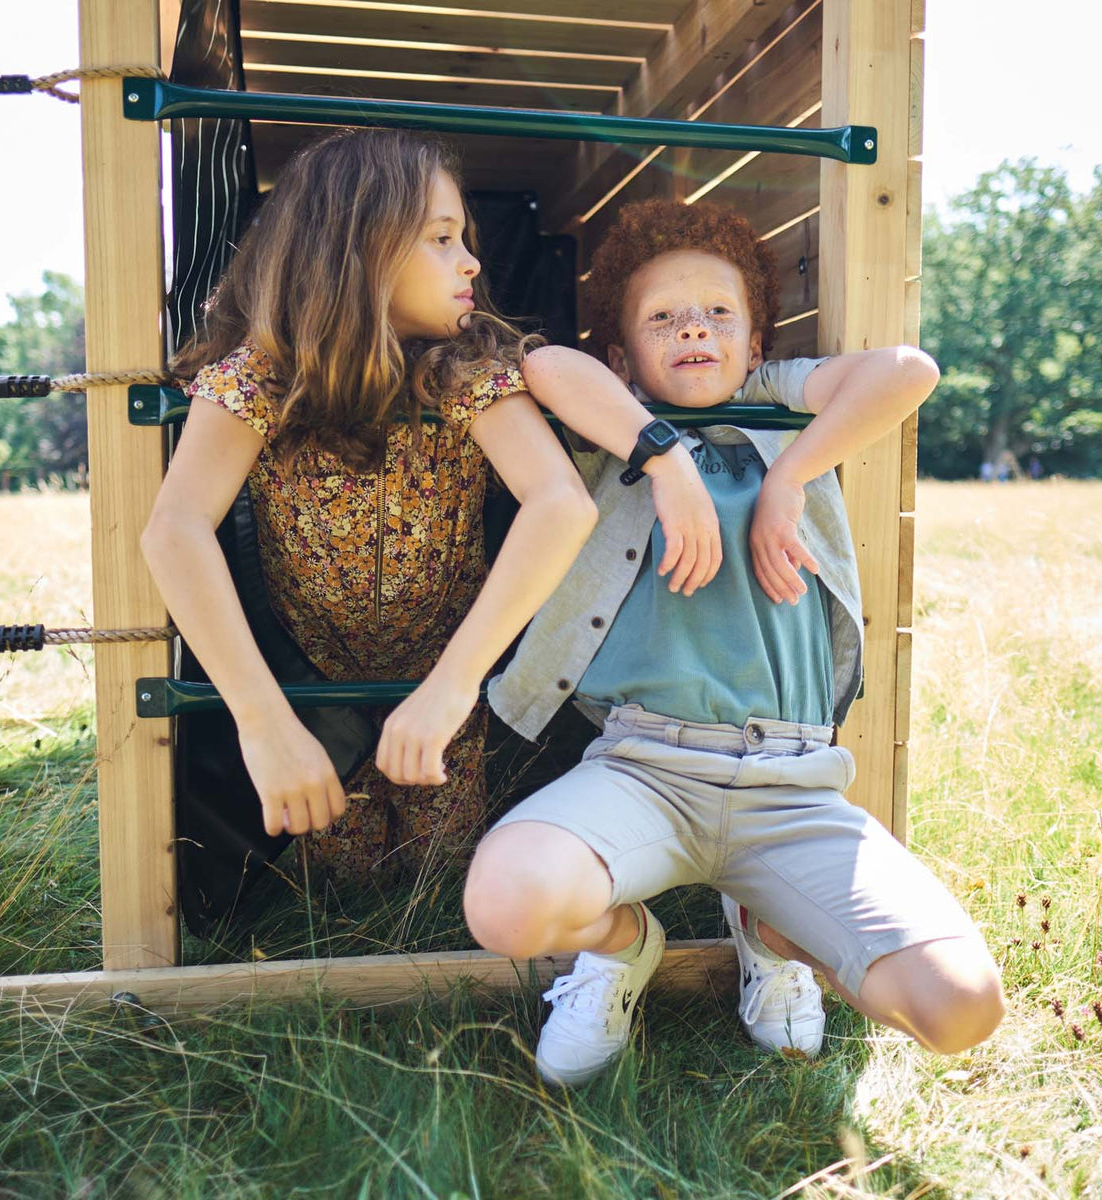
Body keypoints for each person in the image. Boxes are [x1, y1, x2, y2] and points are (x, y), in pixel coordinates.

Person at [465, 199, 1005, 1086]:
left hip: (792, 785)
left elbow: (909, 369)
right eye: (662, 318)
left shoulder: (781, 408)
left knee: (960, 1009)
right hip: (644, 768)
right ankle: (622, 944)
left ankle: (771, 928)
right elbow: (546, 364)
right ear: (624, 356)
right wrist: (663, 460)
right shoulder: (611, 429)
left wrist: (790, 474)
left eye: (719, 313)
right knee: (507, 903)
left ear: (757, 346)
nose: (693, 330)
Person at [142, 133, 722, 887]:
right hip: (312, 681)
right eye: (442, 240)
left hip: (448, 673)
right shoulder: (263, 372)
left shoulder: (466, 365)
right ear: (357, 252)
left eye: (465, 239)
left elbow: (559, 504)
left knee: (441, 875)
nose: (471, 261)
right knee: (336, 883)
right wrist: (264, 722)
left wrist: (450, 689)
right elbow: (174, 529)